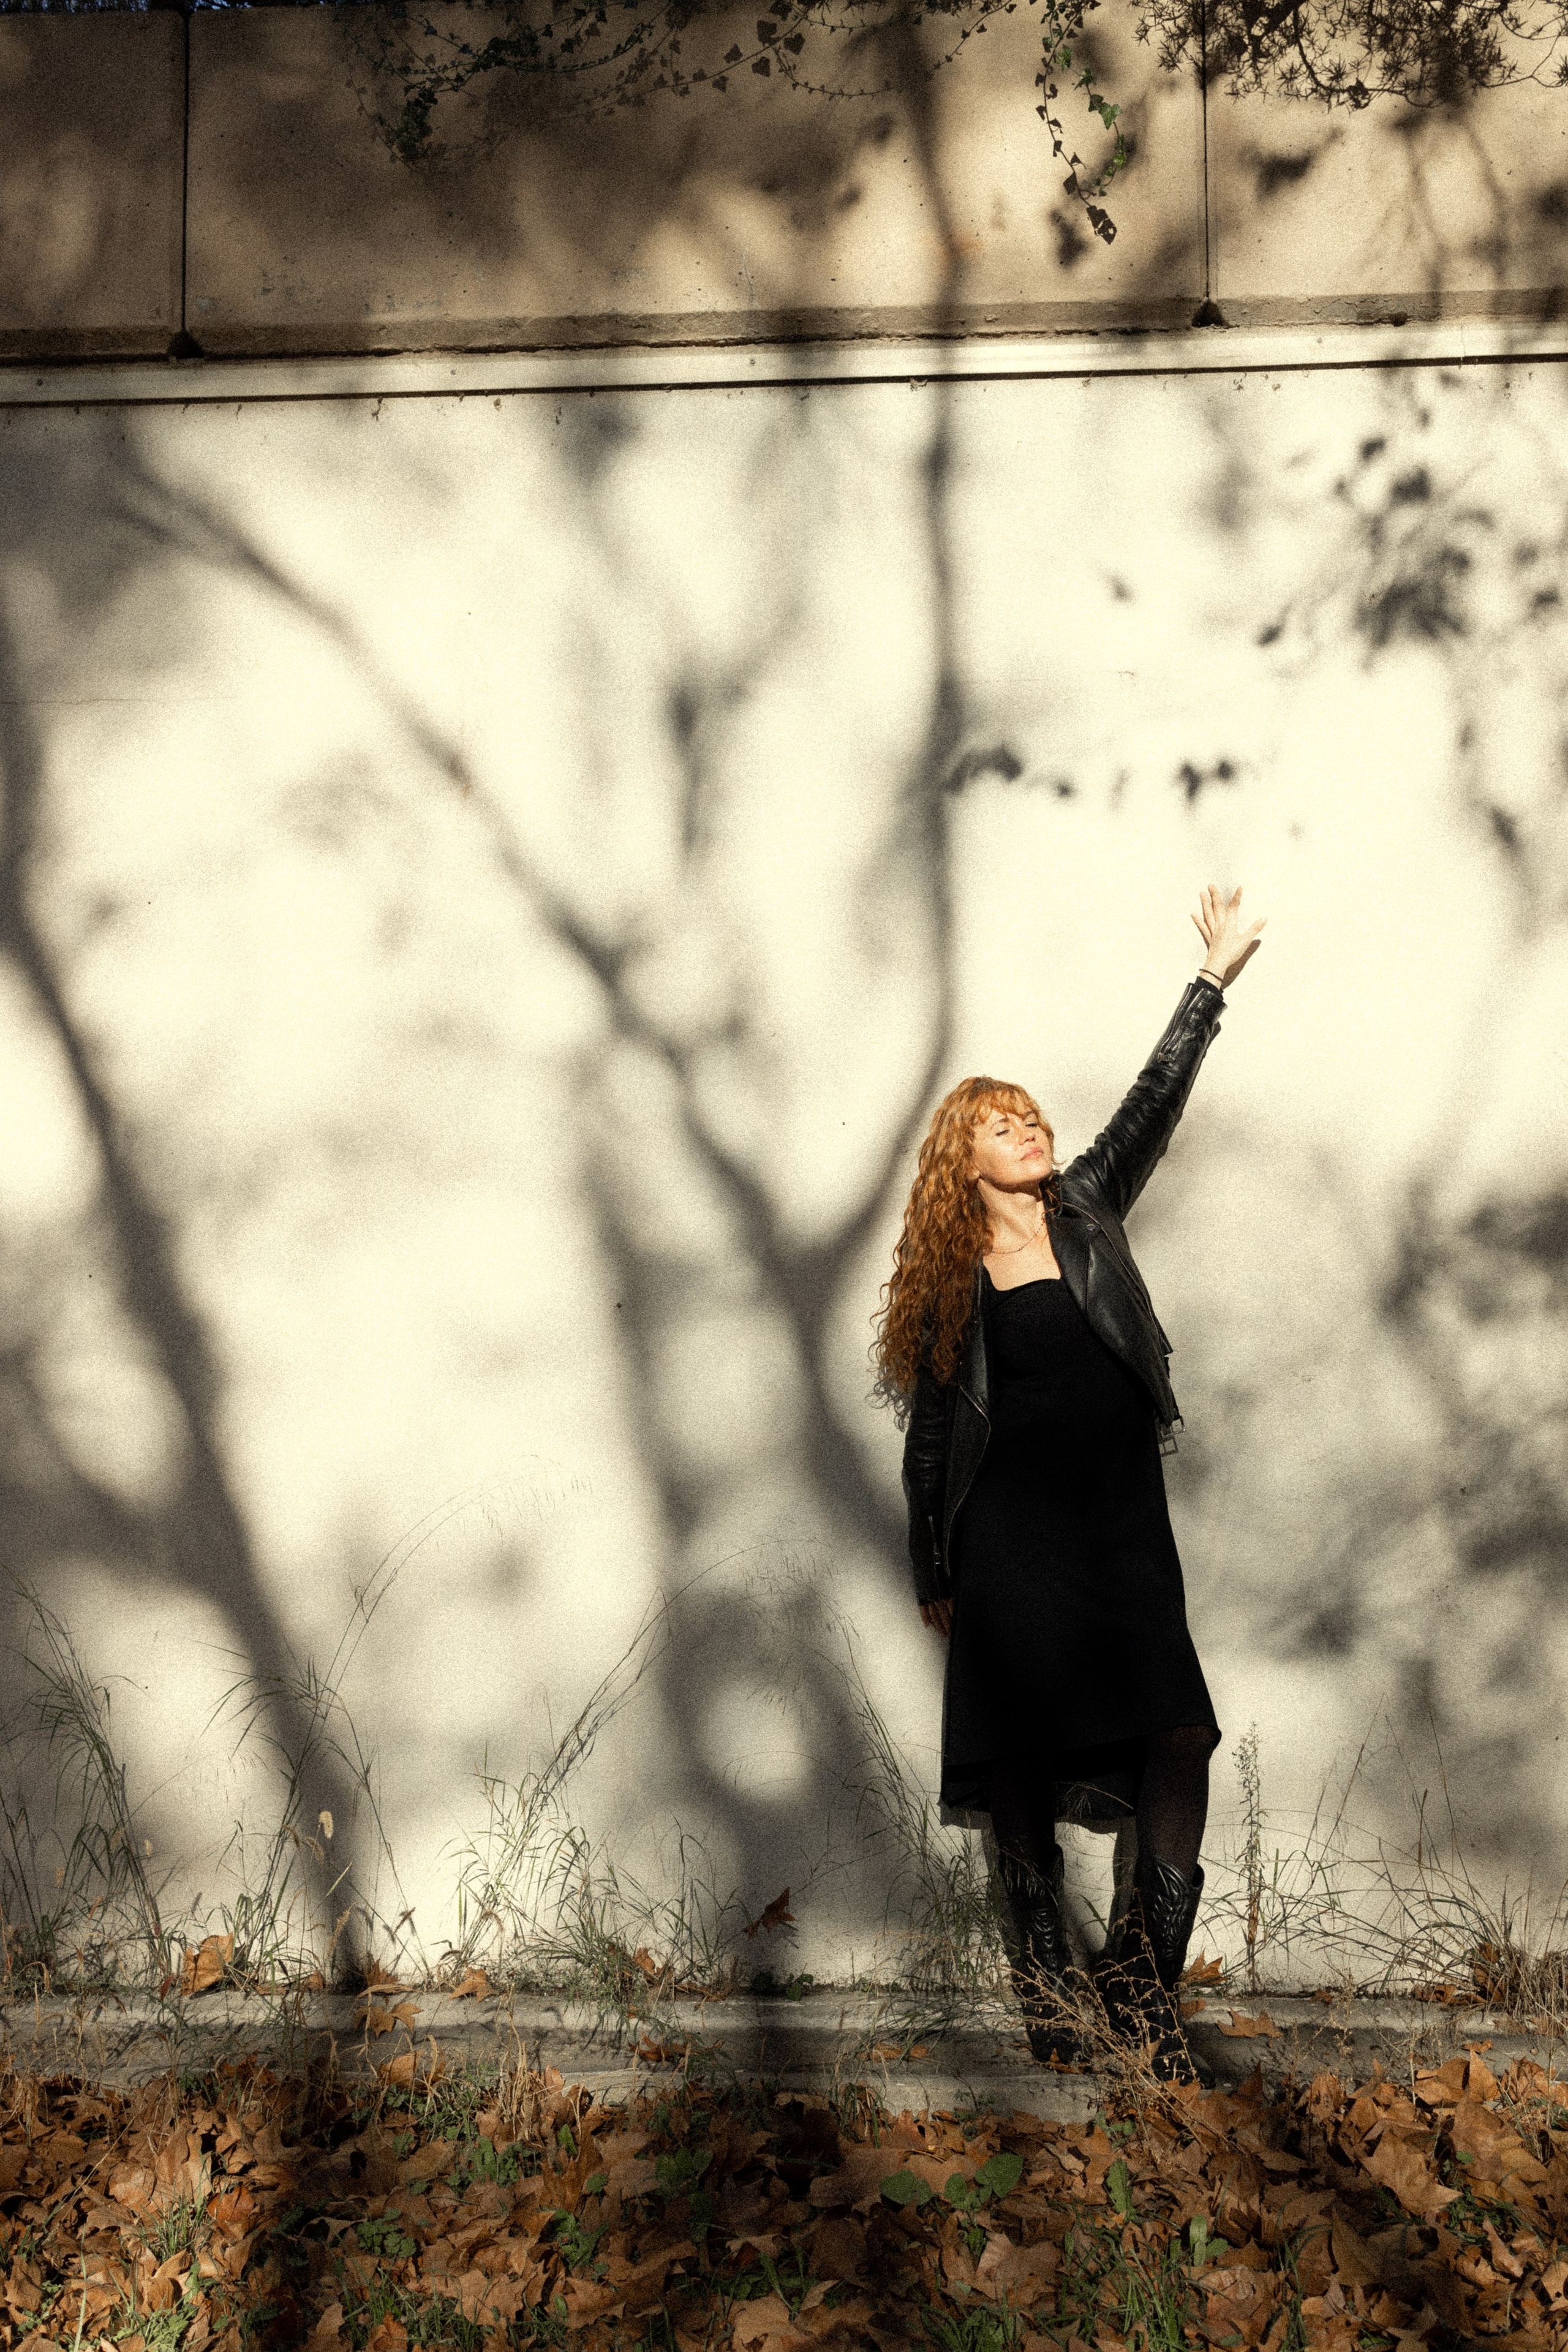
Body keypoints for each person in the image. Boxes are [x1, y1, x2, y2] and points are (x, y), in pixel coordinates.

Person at [876, 886, 1266, 2083]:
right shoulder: (952, 1282)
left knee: (1177, 1731)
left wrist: (1210, 980)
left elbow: (1151, 1105)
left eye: (1033, 1119)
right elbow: (933, 1439)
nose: (1029, 1133)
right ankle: (1049, 1993)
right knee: (1023, 1768)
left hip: (1117, 1530)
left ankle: (1140, 1986)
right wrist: (933, 1566)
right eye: (1002, 1127)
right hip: (1009, 1546)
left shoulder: (1087, 1209)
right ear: (962, 1159)